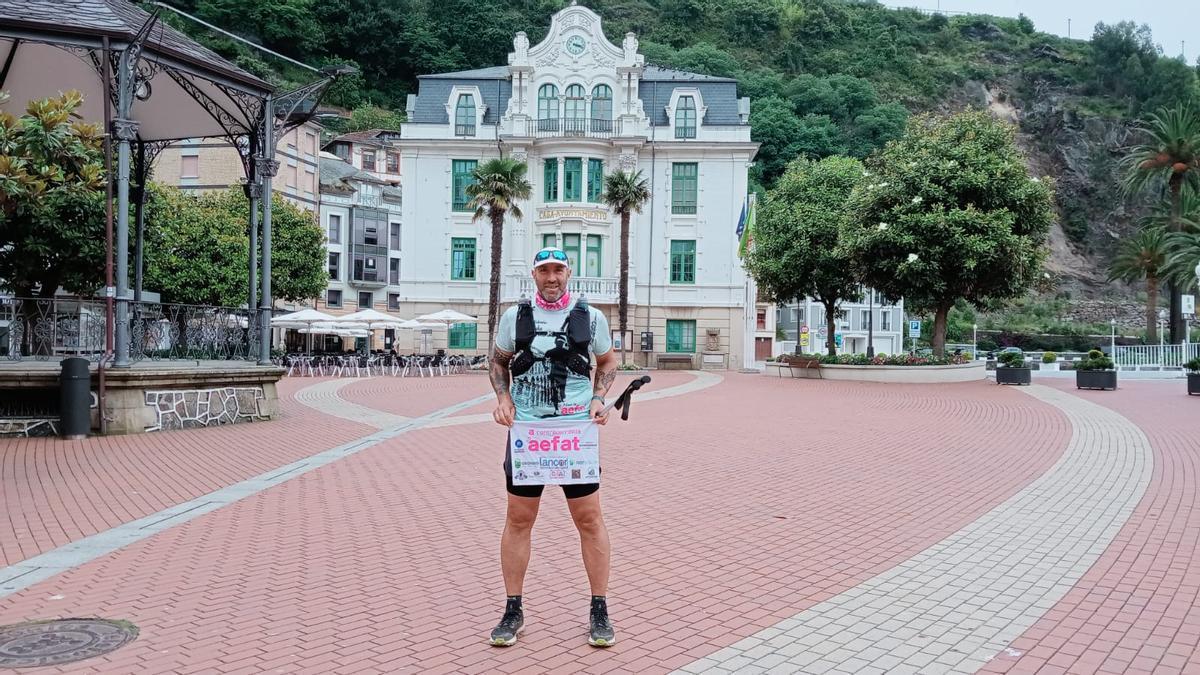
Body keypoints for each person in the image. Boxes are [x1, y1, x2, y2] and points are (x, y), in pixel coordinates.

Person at [488, 246, 619, 648]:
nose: (551, 277)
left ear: (569, 272)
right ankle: (514, 608)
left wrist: (598, 399)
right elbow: (497, 363)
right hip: (528, 436)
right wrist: (503, 398)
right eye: (544, 270)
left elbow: (608, 363)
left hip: (575, 435)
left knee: (590, 520)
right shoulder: (516, 316)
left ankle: (599, 607)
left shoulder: (590, 317)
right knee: (519, 520)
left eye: (558, 269)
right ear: (533, 274)